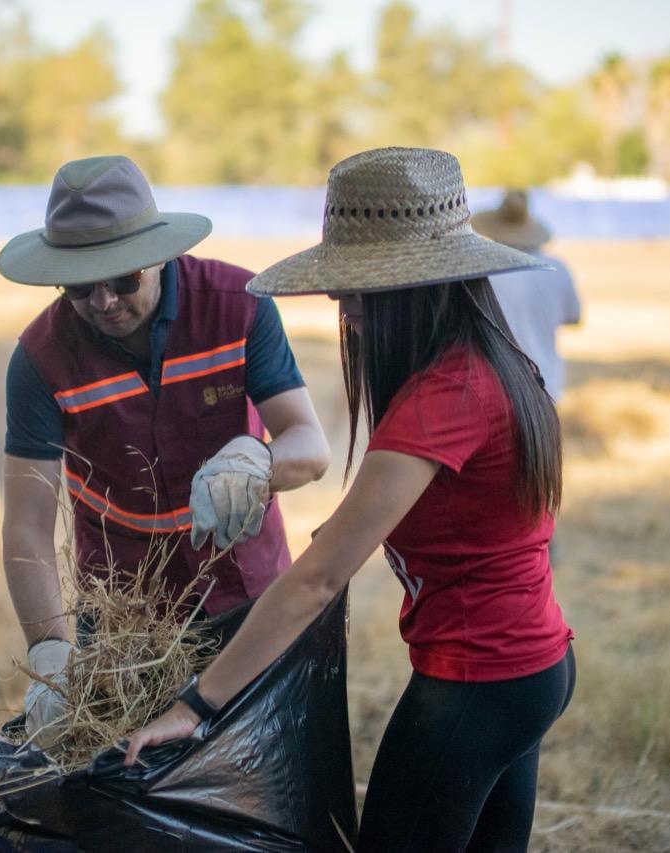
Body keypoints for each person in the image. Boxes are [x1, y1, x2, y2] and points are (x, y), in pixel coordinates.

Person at [126, 148, 577, 853]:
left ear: (413, 287)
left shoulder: (444, 397)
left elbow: (319, 577)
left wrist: (198, 703)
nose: (343, 304)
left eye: (358, 287)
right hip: (530, 666)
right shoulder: (489, 359)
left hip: (478, 684)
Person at [0, 155, 331, 743]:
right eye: (79, 286)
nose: (102, 302)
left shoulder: (238, 305)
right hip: (127, 618)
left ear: (159, 254)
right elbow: (27, 527)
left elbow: (310, 445)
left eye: (123, 279)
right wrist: (50, 651)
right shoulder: (40, 358)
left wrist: (259, 460)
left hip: (246, 598)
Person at [471, 189, 581, 401]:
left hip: (502, 382)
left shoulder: (486, 271)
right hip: (548, 381)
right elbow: (574, 317)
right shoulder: (557, 268)